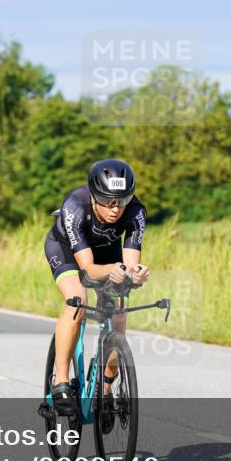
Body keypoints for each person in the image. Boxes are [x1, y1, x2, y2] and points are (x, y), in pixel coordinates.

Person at [44, 159, 150, 414]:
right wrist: (113, 270)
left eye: (122, 201)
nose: (116, 209)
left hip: (107, 252)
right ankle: (60, 381)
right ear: (93, 195)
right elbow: (88, 269)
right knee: (77, 301)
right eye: (107, 201)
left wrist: (135, 273)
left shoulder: (136, 211)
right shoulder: (75, 206)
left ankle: (105, 388)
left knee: (119, 315)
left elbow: (130, 263)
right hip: (67, 251)